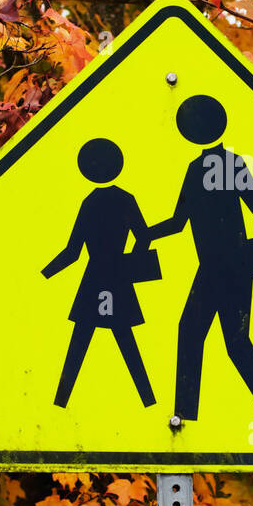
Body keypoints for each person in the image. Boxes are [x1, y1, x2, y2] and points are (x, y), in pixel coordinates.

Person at [150, 94, 253, 423]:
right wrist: (145, 233)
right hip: (212, 269)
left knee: (229, 342)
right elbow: (180, 221)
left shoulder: (227, 165)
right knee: (206, 336)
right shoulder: (199, 168)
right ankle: (186, 418)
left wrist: (248, 257)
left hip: (228, 268)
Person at [43, 138, 159, 409]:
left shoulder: (90, 202)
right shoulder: (126, 199)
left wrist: (46, 273)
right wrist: (131, 265)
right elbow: (144, 237)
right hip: (118, 276)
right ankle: (149, 401)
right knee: (126, 341)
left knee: (80, 343)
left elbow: (73, 252)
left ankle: (61, 402)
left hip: (95, 277)